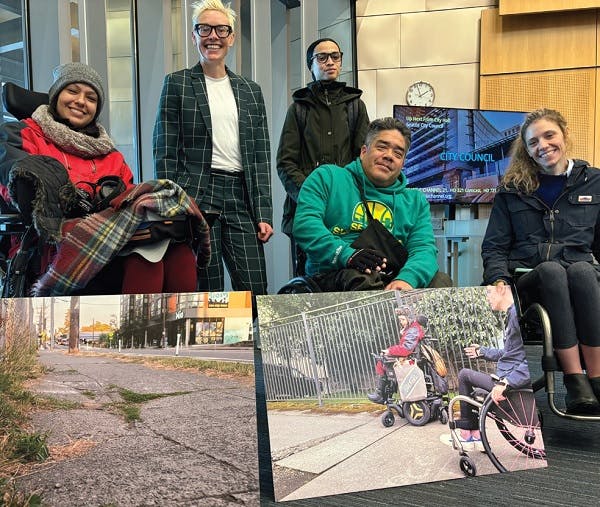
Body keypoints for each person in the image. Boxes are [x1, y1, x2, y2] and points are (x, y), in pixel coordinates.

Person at [0, 62, 201, 295]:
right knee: (146, 252)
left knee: (177, 250)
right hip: (47, 239)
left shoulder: (109, 153)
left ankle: (168, 328)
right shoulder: (21, 133)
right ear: (56, 96)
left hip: (109, 239)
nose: (81, 101)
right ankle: (138, 329)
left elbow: (128, 200)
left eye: (91, 98)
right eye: (72, 91)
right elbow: (11, 181)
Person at [481, 108, 600, 415]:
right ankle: (575, 380)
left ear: (565, 135)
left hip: (582, 279)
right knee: (550, 270)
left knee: (584, 271)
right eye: (533, 142)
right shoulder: (511, 190)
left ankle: (597, 379)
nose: (543, 145)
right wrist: (498, 280)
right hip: (531, 282)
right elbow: (494, 247)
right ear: (527, 149)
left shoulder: (594, 182)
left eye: (549, 135)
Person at [153, 0, 273, 296]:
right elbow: (164, 148)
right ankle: (214, 345)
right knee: (207, 288)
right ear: (194, 36)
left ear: (231, 37)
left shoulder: (250, 90)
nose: (213, 36)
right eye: (204, 29)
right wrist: (172, 203)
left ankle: (255, 343)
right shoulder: (177, 83)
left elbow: (259, 155)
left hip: (240, 196)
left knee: (255, 286)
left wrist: (263, 212)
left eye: (221, 29)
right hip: (196, 194)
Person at [292, 116, 442, 292]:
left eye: (398, 154)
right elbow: (305, 226)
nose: (388, 156)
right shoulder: (327, 178)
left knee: (441, 281)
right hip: (336, 275)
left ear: (402, 164)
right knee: (361, 279)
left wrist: (407, 280)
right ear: (364, 151)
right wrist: (346, 254)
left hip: (393, 277)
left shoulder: (415, 201)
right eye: (382, 147)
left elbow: (424, 249)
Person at [276, 37, 369, 276]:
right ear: (311, 65)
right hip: (306, 211)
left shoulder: (356, 106)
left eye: (335, 56)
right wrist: (311, 196)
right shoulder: (299, 108)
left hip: (347, 210)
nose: (330, 62)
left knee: (348, 274)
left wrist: (343, 197)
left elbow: (363, 161)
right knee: (307, 279)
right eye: (322, 57)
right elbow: (286, 163)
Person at [455, 284, 531, 448]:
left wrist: (507, 382)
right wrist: (482, 351)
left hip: (511, 383)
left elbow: (530, 358)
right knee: (475, 392)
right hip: (509, 377)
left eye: (489, 292)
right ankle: (473, 434)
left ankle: (468, 433)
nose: (487, 297)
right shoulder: (513, 313)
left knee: (464, 375)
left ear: (502, 289)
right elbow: (510, 352)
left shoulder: (516, 314)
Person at [367, 307, 425, 404]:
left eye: (403, 319)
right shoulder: (412, 329)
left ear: (409, 318)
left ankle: (381, 394)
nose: (401, 322)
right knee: (382, 359)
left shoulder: (413, 330)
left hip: (408, 359)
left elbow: (406, 349)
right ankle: (382, 394)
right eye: (400, 320)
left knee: (381, 361)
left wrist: (389, 351)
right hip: (409, 357)